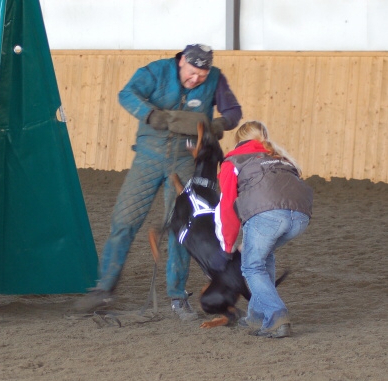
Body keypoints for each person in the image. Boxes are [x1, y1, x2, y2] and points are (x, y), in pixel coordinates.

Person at [75, 44, 242, 320]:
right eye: (192, 73)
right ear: (181, 62)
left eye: (202, 75)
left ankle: (177, 295)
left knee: (183, 228)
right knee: (124, 220)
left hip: (187, 158)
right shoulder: (156, 71)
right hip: (149, 156)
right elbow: (126, 94)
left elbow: (234, 111)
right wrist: (151, 115)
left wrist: (217, 125)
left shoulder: (216, 78)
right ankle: (103, 290)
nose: (196, 79)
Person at [215, 120, 313, 337]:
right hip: (300, 216)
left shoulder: (232, 161)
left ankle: (277, 315)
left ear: (238, 141)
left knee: (251, 267)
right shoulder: (281, 159)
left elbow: (227, 205)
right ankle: (256, 318)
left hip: (267, 216)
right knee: (262, 257)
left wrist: (228, 243)